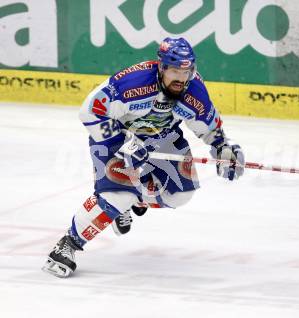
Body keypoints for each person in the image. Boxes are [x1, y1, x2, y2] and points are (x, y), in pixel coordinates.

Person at [42, 37, 244, 278]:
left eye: (187, 71)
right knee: (118, 195)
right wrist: (124, 143)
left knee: (180, 194)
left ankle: (135, 199)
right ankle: (68, 244)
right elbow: (89, 111)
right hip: (117, 137)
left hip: (163, 138)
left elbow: (209, 126)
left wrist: (223, 148)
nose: (182, 78)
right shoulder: (132, 83)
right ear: (162, 67)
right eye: (176, 71)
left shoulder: (194, 90)